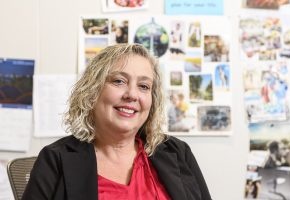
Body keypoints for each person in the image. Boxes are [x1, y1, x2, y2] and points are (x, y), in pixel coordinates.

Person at [22, 44, 211, 200]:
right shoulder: (56, 160)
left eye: (143, 86)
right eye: (119, 81)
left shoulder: (177, 152)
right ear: (92, 91)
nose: (132, 95)